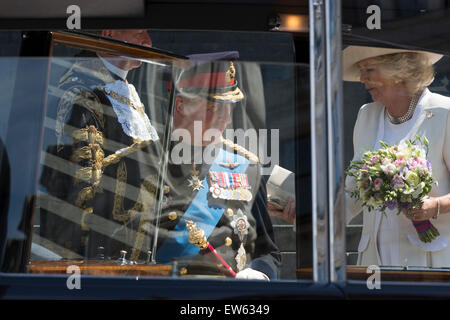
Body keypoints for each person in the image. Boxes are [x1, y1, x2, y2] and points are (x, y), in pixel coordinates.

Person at [136, 52, 281, 280]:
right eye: (215, 108)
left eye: (229, 108)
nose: (227, 118)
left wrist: (258, 274)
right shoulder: (141, 160)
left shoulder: (245, 166)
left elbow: (267, 251)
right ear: (182, 105)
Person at [39, 29, 160, 258]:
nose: (148, 42)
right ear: (109, 33)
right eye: (139, 32)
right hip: (92, 248)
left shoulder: (119, 88)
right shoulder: (83, 91)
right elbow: (83, 186)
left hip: (127, 241)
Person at [343, 45, 450, 267]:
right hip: (375, 261)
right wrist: (308, 216)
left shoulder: (443, 113)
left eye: (369, 69)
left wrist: (434, 206)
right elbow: (353, 193)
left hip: (428, 263)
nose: (362, 78)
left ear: (399, 71)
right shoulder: (366, 116)